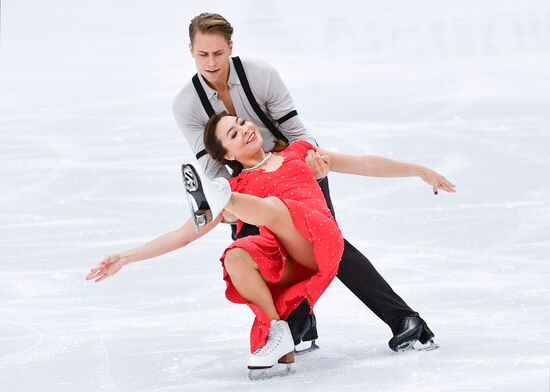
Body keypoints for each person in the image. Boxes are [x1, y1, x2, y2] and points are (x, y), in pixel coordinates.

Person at [86, 111, 454, 377]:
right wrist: (124, 257)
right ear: (227, 156)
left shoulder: (299, 154)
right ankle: (279, 329)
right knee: (235, 255)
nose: (244, 130)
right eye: (233, 134)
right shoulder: (240, 183)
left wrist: (420, 170)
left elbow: (363, 164)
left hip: (321, 239)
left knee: (275, 209)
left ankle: (218, 205)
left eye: (242, 123)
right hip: (288, 259)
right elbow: (184, 235)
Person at [172, 12, 448, 352]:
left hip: (294, 170)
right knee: (252, 252)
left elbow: (298, 134)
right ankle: (299, 319)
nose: (211, 62)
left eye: (218, 53)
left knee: (329, 247)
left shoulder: (261, 76)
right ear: (190, 51)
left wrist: (311, 168)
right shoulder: (186, 105)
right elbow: (213, 167)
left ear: (230, 47)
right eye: (203, 55)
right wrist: (226, 206)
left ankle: (402, 319)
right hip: (247, 187)